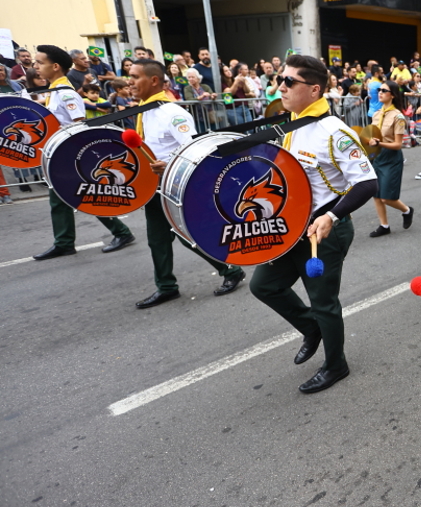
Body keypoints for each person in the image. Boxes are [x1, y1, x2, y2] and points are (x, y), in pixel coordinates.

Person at [248, 54, 378, 393]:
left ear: (315, 89)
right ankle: (312, 328)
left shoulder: (333, 132)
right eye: (280, 79)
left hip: (324, 231)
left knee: (324, 302)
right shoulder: (291, 121)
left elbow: (367, 183)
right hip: (291, 227)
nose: (281, 86)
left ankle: (336, 365)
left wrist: (331, 216)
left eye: (289, 82)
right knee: (263, 285)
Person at [126, 59, 247, 308]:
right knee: (157, 238)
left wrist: (169, 163)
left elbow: (194, 150)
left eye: (135, 76)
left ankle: (230, 270)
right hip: (153, 186)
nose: (130, 81)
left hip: (175, 186)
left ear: (154, 80)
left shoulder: (173, 113)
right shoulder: (142, 110)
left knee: (186, 235)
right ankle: (166, 287)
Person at [31, 45, 137, 261]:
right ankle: (64, 242)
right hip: (59, 152)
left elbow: (80, 124)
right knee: (60, 197)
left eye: (40, 62)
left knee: (84, 193)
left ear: (56, 66)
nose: (35, 67)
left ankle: (121, 232)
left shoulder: (66, 93)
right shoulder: (55, 91)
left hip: (70, 152)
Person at [367, 80, 415, 238]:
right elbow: (372, 136)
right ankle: (384, 225)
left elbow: (397, 144)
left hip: (391, 158)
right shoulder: (376, 114)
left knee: (387, 197)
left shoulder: (398, 117)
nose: (379, 92)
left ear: (392, 95)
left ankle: (407, 210)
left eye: (384, 90)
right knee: (376, 194)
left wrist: (379, 143)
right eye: (379, 90)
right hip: (376, 156)